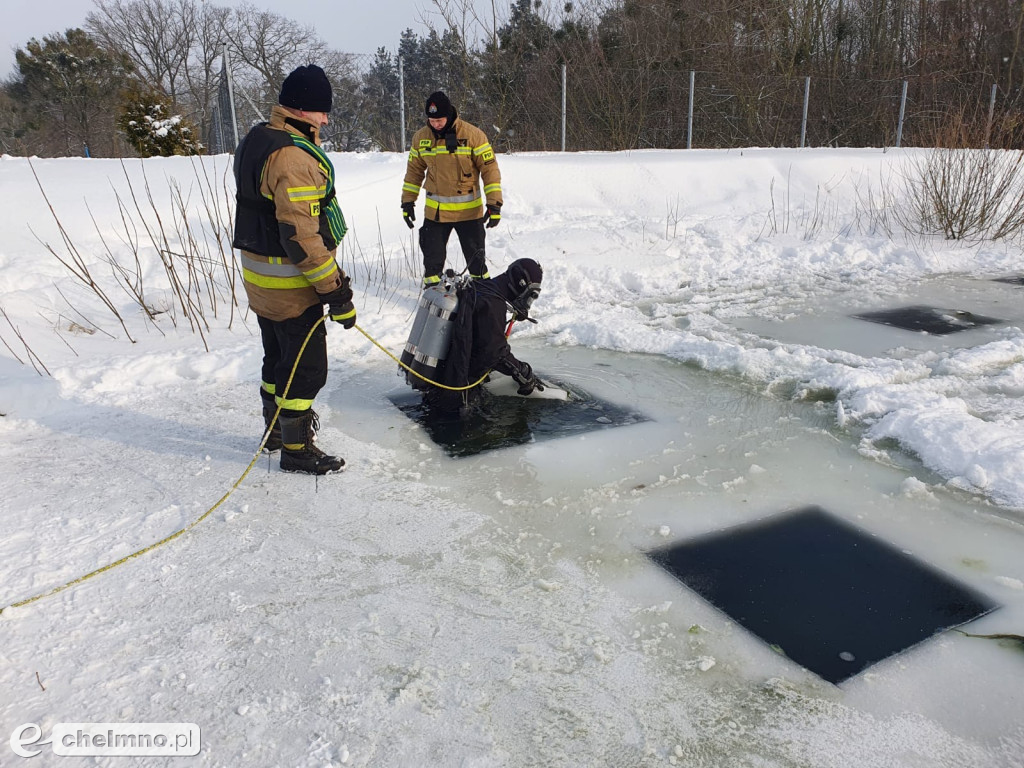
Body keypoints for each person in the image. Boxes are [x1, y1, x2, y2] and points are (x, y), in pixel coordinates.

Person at [232, 64, 356, 475]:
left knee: (276, 360)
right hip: (290, 284)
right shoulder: (292, 157)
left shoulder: (258, 138)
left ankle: (275, 433)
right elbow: (301, 237)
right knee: (307, 371)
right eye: (322, 111)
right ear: (304, 110)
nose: (326, 119)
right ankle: (297, 450)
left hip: (260, 278)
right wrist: (335, 291)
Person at [401, 90, 503, 288]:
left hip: (469, 213)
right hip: (436, 214)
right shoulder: (420, 138)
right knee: (432, 265)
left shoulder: (473, 135)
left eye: (440, 119)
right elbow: (414, 172)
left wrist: (494, 204)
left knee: (477, 265)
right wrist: (407, 202)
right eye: (432, 120)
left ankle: (484, 299)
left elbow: (490, 170)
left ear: (450, 115)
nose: (436, 124)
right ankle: (433, 298)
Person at [423, 258, 545, 415]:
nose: (528, 301)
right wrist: (523, 373)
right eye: (531, 295)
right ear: (521, 284)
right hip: (456, 392)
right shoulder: (493, 304)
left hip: (443, 378)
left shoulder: (483, 287)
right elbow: (495, 353)